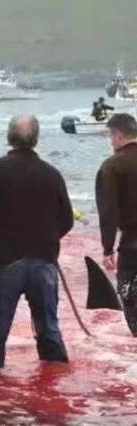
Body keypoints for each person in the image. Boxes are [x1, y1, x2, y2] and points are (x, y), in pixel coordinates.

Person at [0, 115, 73, 369]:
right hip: (43, 262)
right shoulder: (52, 174)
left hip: (3, 264)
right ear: (36, 138)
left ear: (8, 137)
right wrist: (45, 240)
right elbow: (67, 219)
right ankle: (55, 392)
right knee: (49, 331)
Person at [95, 113, 137, 336]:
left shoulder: (112, 166)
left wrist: (107, 248)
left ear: (118, 135)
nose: (111, 142)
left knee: (129, 294)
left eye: (111, 136)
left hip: (132, 245)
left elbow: (108, 211)